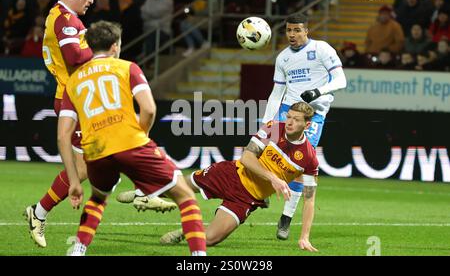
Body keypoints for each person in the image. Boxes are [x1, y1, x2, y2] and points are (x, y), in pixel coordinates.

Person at [24, 0, 174, 249]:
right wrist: (100, 51)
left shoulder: (64, 17)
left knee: (114, 143)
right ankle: (39, 212)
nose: (91, 0)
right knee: (90, 164)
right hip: (75, 98)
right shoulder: (65, 19)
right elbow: (72, 56)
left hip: (81, 95)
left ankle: (144, 191)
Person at [59, 20, 207, 256]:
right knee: (186, 196)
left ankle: (78, 250)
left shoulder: (74, 81)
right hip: (132, 143)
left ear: (88, 46)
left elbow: (63, 136)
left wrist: (75, 180)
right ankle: (199, 259)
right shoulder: (127, 67)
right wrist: (142, 136)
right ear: (116, 46)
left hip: (96, 151)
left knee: (97, 198)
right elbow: (148, 109)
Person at [160, 102, 319, 252]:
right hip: (230, 174)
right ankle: (138, 195)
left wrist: (304, 237)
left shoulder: (310, 158)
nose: (289, 122)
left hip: (245, 198)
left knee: (209, 240)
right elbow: (247, 157)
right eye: (288, 116)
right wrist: (273, 178)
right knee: (172, 187)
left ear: (307, 125)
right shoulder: (274, 128)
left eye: (296, 119)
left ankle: (186, 230)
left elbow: (309, 199)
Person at [261, 14, 347, 240]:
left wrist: (317, 92)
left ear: (306, 31)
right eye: (288, 30)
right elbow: (276, 92)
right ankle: (262, 188)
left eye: (297, 30)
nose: (292, 34)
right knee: (264, 151)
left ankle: (286, 218)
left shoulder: (322, 49)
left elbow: (341, 81)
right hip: (289, 107)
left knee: (301, 165)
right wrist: (266, 123)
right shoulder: (283, 58)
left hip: (314, 113)